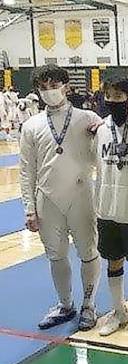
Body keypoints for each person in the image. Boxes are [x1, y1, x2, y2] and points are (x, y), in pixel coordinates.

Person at [19, 65, 102, 331]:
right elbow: (26, 170)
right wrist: (29, 208)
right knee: (56, 255)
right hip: (47, 200)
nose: (49, 91)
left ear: (66, 86)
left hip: (81, 196)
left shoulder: (88, 117)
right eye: (43, 88)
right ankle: (65, 305)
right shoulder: (31, 125)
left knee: (88, 252)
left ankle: (89, 305)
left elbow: (99, 158)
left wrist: (98, 132)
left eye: (54, 85)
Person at [93, 77, 128, 337]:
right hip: (106, 209)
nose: (113, 101)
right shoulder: (100, 129)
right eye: (110, 96)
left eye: (119, 97)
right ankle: (119, 311)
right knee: (113, 261)